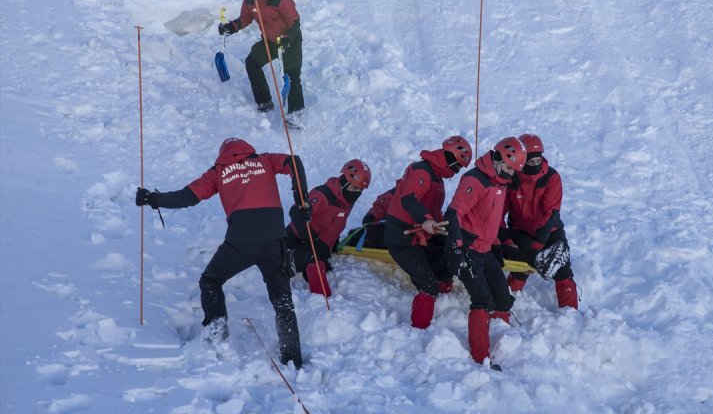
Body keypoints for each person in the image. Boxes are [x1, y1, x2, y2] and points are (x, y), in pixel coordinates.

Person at [135, 137, 308, 368]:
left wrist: (152, 199)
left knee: (211, 280)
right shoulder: (265, 160)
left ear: (223, 153)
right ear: (247, 149)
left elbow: (187, 197)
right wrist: (301, 199)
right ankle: (293, 360)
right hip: (273, 241)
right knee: (283, 303)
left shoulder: (218, 171)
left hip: (240, 242)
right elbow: (293, 162)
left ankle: (217, 327)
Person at [443, 137, 526, 369]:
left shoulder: (501, 183)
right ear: (499, 158)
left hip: (486, 249)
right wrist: (456, 246)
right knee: (482, 299)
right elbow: (453, 214)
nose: (511, 174)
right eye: (510, 167)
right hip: (467, 249)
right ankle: (481, 358)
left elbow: (492, 219)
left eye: (514, 170)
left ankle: (502, 343)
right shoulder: (475, 180)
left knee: (502, 297)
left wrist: (498, 244)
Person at [384, 136, 473, 329]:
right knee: (428, 285)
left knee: (446, 260)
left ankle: (442, 297)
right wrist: (425, 219)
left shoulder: (436, 177)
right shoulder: (421, 170)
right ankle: (419, 329)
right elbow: (409, 199)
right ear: (448, 156)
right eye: (456, 166)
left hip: (420, 234)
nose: (455, 171)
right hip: (402, 235)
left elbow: (431, 209)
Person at [500, 134, 578, 309]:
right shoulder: (511, 177)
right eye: (530, 161)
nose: (535, 165)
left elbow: (551, 215)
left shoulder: (551, 177)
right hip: (521, 231)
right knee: (521, 268)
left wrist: (535, 251)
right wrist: (508, 241)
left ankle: (571, 315)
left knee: (563, 270)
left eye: (538, 160)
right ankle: (504, 305)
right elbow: (498, 214)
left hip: (550, 232)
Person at [218, 0, 304, 117]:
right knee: (252, 62)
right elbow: (245, 18)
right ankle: (264, 101)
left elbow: (294, 22)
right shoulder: (250, 0)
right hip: (270, 41)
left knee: (291, 76)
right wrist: (231, 27)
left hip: (290, 42)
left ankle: (296, 113)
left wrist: (288, 37)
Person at [286, 159, 371, 296]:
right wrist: (311, 239)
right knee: (313, 263)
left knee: (319, 261)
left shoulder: (347, 201)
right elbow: (296, 213)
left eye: (361, 190)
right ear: (344, 182)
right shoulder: (322, 195)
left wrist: (331, 243)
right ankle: (322, 300)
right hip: (294, 241)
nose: (357, 193)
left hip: (316, 247)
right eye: (355, 188)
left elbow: (336, 221)